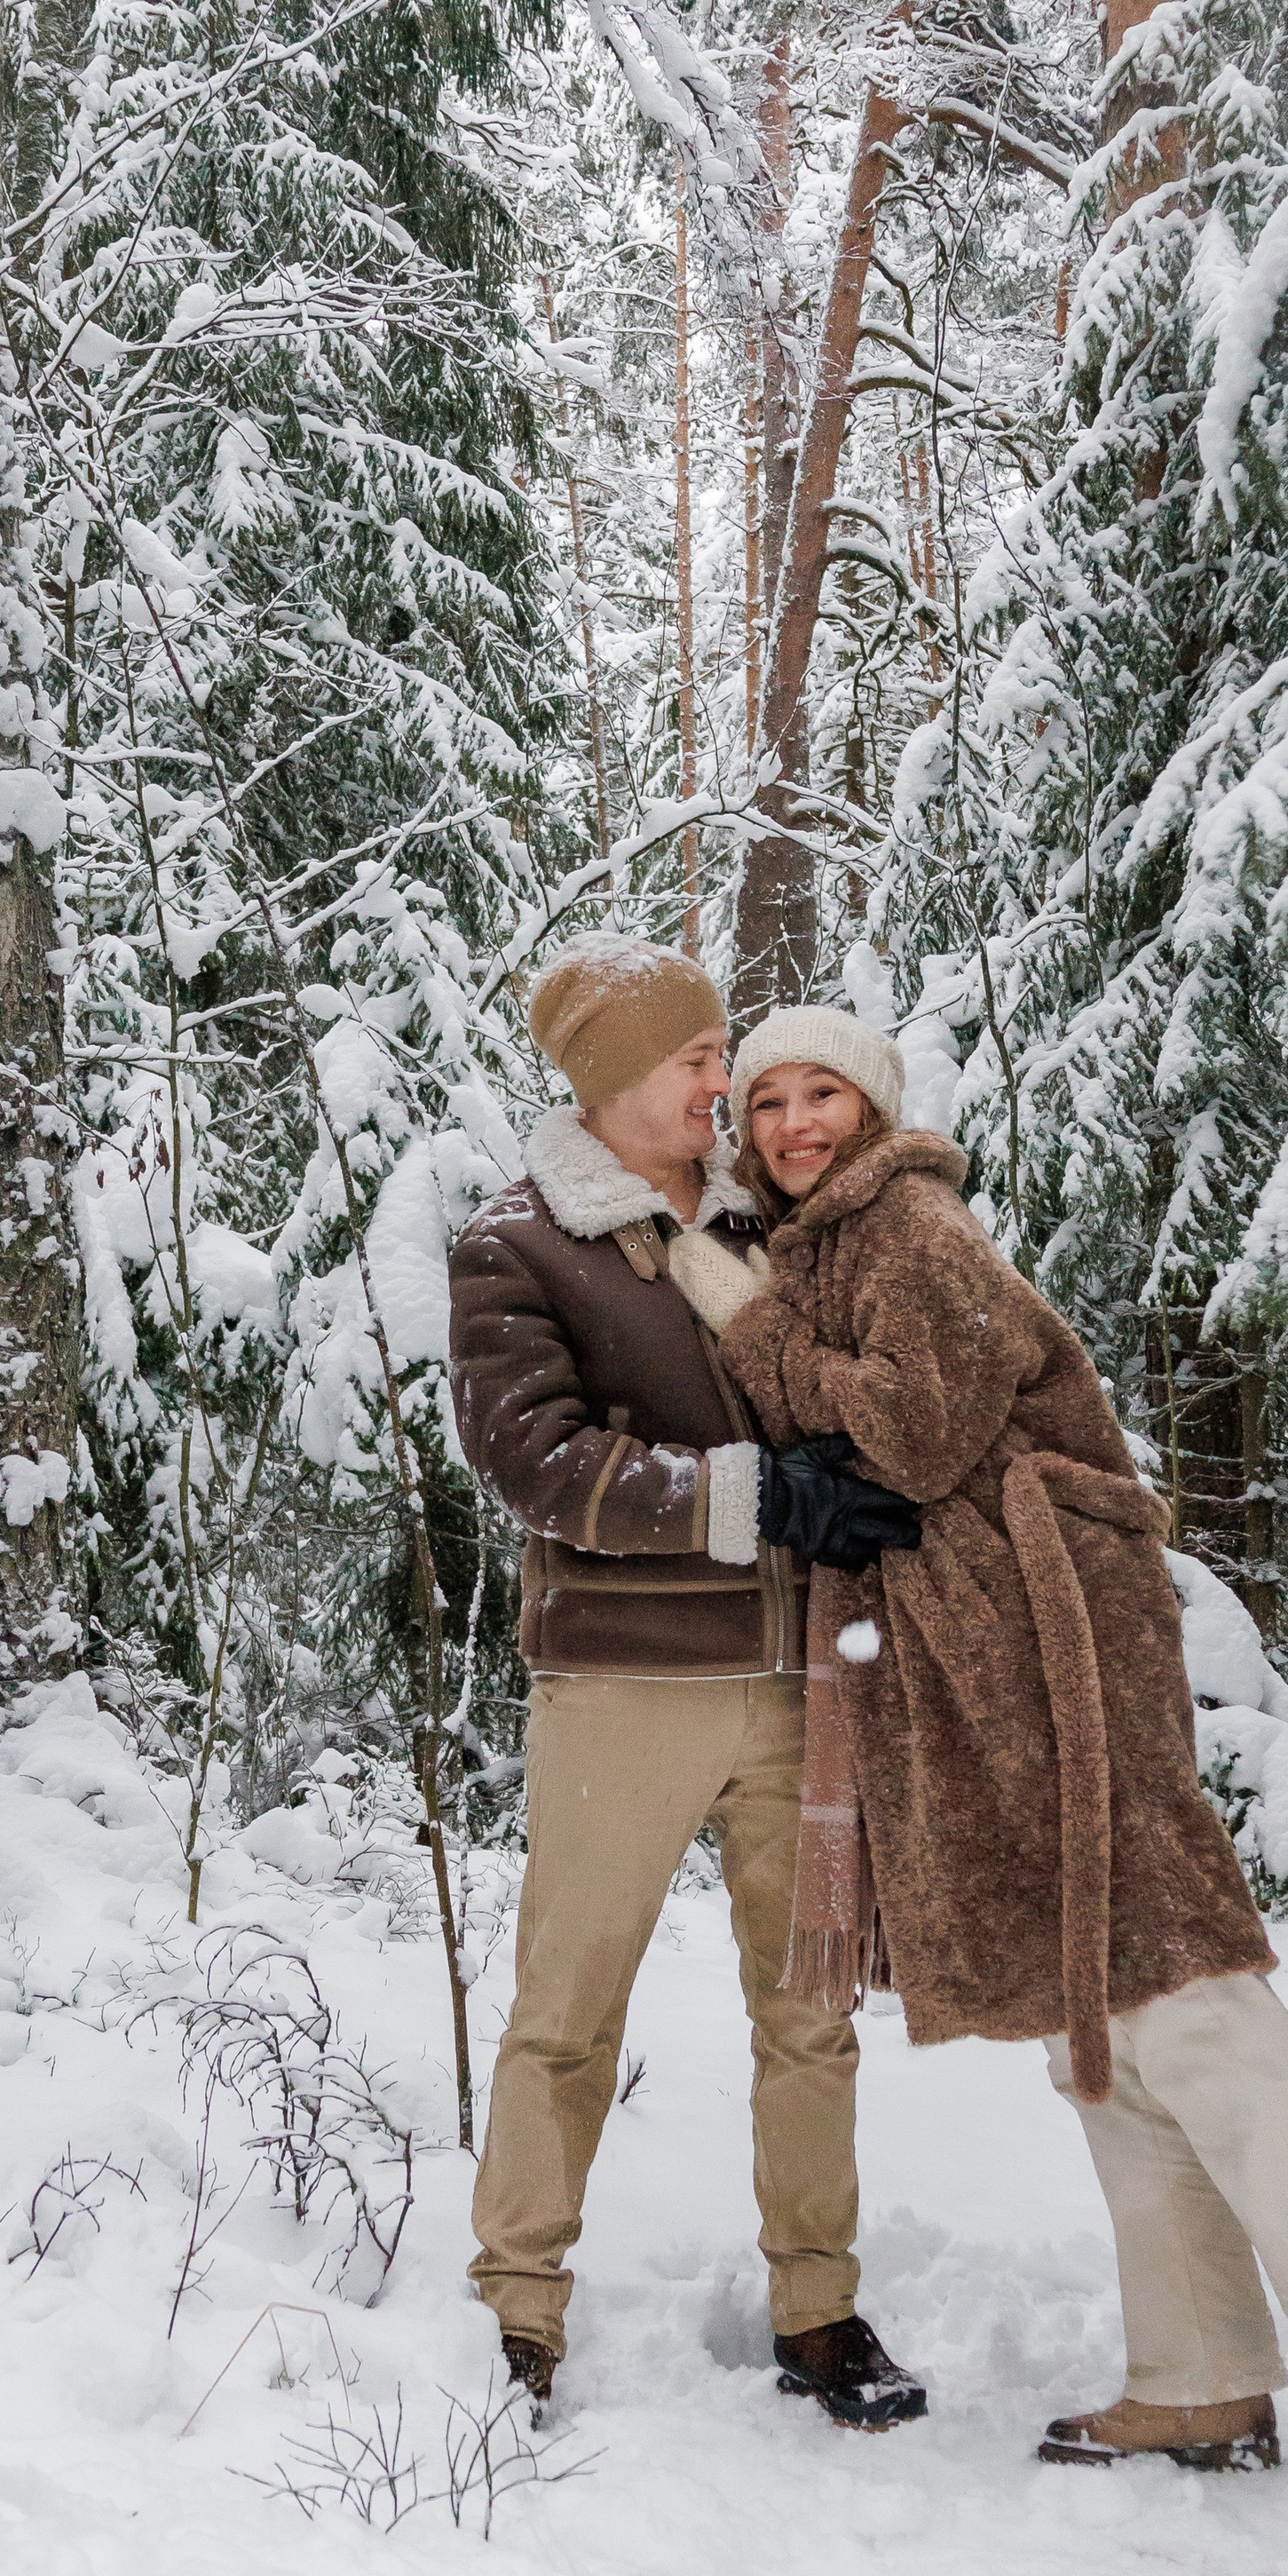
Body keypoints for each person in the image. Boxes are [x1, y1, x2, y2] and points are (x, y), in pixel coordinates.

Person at [665, 1002, 1288, 2527]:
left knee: (1174, 1978)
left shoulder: (906, 1222)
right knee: (1091, 1992)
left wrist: (754, 1329)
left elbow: (905, 1435)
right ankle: (1201, 2371)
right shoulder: (827, 1248)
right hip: (976, 1650)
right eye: (765, 1102)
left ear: (874, 1101)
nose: (791, 1125)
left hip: (1053, 1637)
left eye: (820, 1090)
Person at [447, 939, 929, 2430]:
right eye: (698, 1059)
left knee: (810, 2017)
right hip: (625, 1686)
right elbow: (532, 1460)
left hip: (800, 1685)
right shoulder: (518, 1246)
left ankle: (820, 2308)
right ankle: (518, 2308)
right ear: (608, 1084)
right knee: (568, 2011)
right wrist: (759, 1502)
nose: (726, 1084)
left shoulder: (765, 1227)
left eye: (725, 1054)